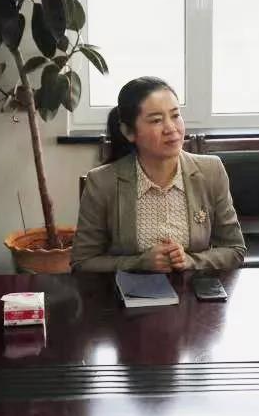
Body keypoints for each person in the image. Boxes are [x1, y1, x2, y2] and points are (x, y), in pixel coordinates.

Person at [71, 76, 246, 272]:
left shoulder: (211, 171)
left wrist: (190, 261)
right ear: (129, 132)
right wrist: (139, 263)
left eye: (175, 115)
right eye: (156, 120)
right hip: (127, 290)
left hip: (193, 288)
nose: (171, 128)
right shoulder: (103, 182)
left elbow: (235, 250)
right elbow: (82, 262)